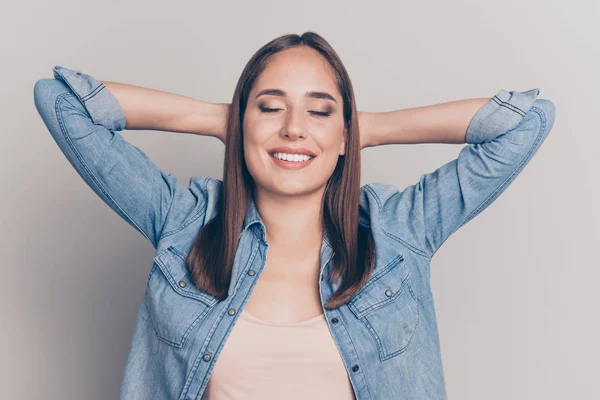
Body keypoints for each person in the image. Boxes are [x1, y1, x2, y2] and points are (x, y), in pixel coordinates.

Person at [33, 31, 556, 400]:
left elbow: (528, 120)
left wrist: (364, 129)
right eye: (270, 107)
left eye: (321, 111)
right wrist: (226, 119)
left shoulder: (401, 229)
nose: (293, 129)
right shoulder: (183, 220)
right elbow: (61, 100)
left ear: (344, 130)